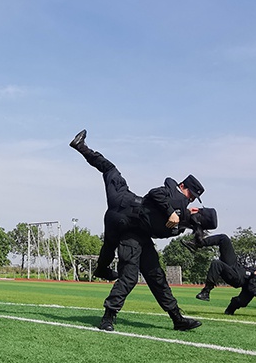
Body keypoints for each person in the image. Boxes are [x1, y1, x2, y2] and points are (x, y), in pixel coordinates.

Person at [69, 129, 209, 332]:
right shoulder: (173, 197)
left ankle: (177, 318)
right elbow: (154, 194)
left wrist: (177, 225)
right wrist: (171, 212)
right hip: (125, 212)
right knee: (128, 276)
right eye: (192, 194)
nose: (191, 199)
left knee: (156, 277)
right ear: (183, 186)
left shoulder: (180, 211)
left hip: (132, 227)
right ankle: (108, 316)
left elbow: (158, 231)